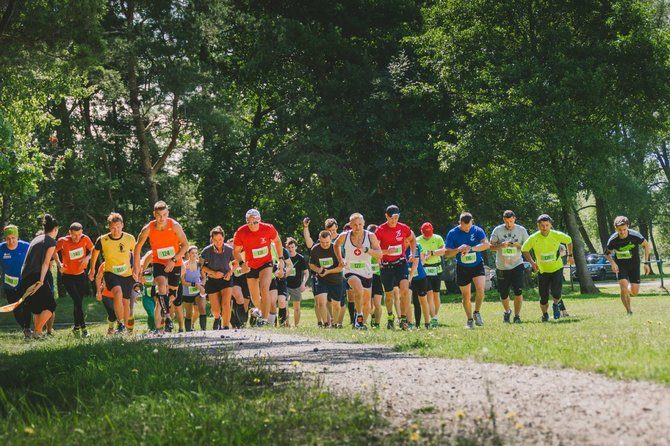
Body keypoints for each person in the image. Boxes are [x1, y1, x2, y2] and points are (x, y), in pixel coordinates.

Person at [133, 201, 189, 333]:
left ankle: (164, 320)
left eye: (164, 215)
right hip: (158, 262)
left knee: (171, 296)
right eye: (159, 215)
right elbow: (138, 246)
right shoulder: (148, 228)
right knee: (161, 284)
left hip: (175, 262)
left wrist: (174, 259)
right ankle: (167, 318)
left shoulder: (175, 225)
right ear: (154, 214)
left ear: (168, 213)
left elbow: (185, 245)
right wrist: (136, 266)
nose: (161, 218)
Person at [233, 209, 283, 326]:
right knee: (254, 297)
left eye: (255, 222)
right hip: (251, 265)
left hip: (266, 263)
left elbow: (278, 241)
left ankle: (265, 320)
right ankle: (268, 315)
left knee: (264, 288)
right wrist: (242, 264)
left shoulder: (268, 228)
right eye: (249, 222)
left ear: (259, 220)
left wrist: (280, 259)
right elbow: (236, 251)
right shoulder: (241, 232)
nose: (252, 225)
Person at [89, 212, 136, 333]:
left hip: (127, 274)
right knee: (117, 292)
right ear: (109, 227)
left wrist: (137, 268)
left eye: (118, 227)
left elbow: (136, 253)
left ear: (122, 225)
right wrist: (92, 269)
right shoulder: (102, 239)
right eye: (113, 228)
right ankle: (120, 323)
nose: (116, 230)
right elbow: (95, 252)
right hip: (110, 273)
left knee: (126, 302)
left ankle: (126, 329)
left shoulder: (130, 238)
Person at [334, 213, 383, 329]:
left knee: (367, 303)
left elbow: (379, 254)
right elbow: (336, 245)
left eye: (360, 224)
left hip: (366, 271)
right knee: (358, 288)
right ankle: (359, 318)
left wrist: (366, 249)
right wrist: (340, 259)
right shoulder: (344, 236)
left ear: (364, 223)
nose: (358, 227)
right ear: (350, 225)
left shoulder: (370, 236)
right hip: (350, 270)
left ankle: (361, 325)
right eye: (355, 225)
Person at [522, 214, 574, 321]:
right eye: (542, 225)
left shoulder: (557, 235)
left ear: (550, 225)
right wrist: (532, 263)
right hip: (542, 271)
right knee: (543, 298)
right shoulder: (534, 238)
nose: (544, 228)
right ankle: (545, 314)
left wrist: (570, 255)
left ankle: (556, 305)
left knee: (556, 292)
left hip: (557, 268)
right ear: (538, 226)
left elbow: (569, 240)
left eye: (547, 225)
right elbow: (524, 249)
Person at [444, 212, 490, 329]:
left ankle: (477, 312)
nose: (467, 229)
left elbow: (486, 245)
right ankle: (469, 319)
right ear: (460, 222)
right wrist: (458, 249)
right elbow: (447, 253)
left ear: (472, 222)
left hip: (477, 264)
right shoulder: (452, 233)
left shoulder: (477, 230)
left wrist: (471, 248)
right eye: (464, 226)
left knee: (480, 289)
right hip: (462, 267)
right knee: (466, 296)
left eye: (469, 226)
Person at [375, 205, 417, 330]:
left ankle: (403, 319)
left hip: (401, 262)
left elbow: (412, 239)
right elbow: (375, 250)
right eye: (391, 218)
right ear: (386, 216)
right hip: (386, 265)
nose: (394, 221)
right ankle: (390, 317)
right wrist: (386, 252)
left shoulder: (403, 228)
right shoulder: (380, 230)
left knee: (404, 289)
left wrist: (413, 254)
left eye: (396, 218)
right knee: (389, 295)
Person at [20, 214, 59, 339]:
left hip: (25, 275)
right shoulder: (51, 241)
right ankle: (37, 331)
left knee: (37, 308)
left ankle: (38, 334)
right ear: (55, 229)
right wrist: (41, 281)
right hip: (36, 276)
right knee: (51, 305)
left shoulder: (36, 239)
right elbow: (46, 263)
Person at [489, 210, 529, 323]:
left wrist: (517, 245)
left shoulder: (521, 230)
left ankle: (517, 316)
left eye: (511, 221)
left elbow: (527, 246)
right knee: (503, 293)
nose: (509, 224)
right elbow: (490, 247)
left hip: (517, 264)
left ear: (514, 219)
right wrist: (501, 245)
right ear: (503, 220)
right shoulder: (497, 230)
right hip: (502, 266)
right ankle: (507, 311)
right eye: (506, 222)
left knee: (518, 291)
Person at [605, 216, 650, 315]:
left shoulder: (635, 235)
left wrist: (646, 263)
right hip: (621, 265)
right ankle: (629, 311)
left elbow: (646, 245)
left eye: (624, 229)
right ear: (616, 229)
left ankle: (626, 290)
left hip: (634, 264)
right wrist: (612, 263)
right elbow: (607, 253)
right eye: (619, 230)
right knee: (623, 288)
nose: (622, 232)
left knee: (634, 292)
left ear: (628, 227)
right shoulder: (612, 240)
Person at [56, 222, 94, 337]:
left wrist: (87, 258)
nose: (77, 237)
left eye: (79, 234)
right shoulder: (63, 241)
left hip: (81, 276)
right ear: (69, 233)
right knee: (77, 300)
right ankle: (84, 329)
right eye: (74, 235)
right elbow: (53, 251)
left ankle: (76, 327)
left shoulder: (85, 239)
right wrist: (59, 264)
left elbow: (94, 250)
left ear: (82, 232)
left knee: (78, 303)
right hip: (68, 277)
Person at [0, 225, 32, 339]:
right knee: (15, 308)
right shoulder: (1, 248)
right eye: (8, 238)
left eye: (13, 238)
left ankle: (28, 328)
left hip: (25, 282)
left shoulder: (26, 246)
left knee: (27, 306)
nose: (11, 241)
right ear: (5, 239)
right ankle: (24, 328)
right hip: (9, 285)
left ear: (17, 237)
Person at [200, 226, 235, 330]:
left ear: (223, 238)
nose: (218, 242)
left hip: (226, 279)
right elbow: (200, 266)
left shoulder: (229, 250)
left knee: (226, 303)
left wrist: (230, 272)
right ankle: (217, 318)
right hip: (212, 280)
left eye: (220, 239)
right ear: (212, 239)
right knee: (215, 310)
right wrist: (213, 272)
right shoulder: (206, 251)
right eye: (215, 240)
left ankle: (226, 326)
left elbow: (235, 262)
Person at [309, 230, 344, 327]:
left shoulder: (336, 248)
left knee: (336, 305)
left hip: (335, 279)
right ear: (319, 240)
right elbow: (311, 265)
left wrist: (328, 271)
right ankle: (325, 324)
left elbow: (341, 267)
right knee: (321, 302)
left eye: (327, 242)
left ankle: (335, 324)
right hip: (321, 279)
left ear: (331, 239)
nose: (325, 245)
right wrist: (318, 270)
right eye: (322, 242)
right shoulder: (315, 249)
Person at [416, 222, 445, 328]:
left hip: (436, 268)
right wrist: (423, 257)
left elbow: (443, 251)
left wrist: (432, 253)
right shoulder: (417, 240)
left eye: (429, 233)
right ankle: (433, 317)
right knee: (429, 294)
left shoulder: (438, 238)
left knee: (436, 294)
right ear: (421, 231)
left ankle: (435, 316)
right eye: (425, 234)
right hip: (424, 269)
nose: (428, 236)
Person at [285, 238, 309, 328]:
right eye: (289, 247)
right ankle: (286, 323)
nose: (290, 249)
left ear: (296, 247)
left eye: (292, 247)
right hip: (285, 285)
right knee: (284, 305)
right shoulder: (284, 258)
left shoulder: (300, 258)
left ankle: (297, 325)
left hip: (296, 286)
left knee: (297, 308)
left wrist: (303, 283)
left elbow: (306, 272)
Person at [181, 246, 205, 331]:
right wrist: (195, 285)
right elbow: (183, 282)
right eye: (192, 253)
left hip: (198, 291)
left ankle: (204, 331)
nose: (194, 255)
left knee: (201, 309)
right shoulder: (184, 265)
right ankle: (188, 332)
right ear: (188, 254)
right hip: (187, 292)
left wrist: (202, 284)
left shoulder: (199, 264)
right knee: (188, 313)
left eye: (196, 253)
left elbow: (203, 277)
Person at [366, 224, 384, 328]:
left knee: (377, 303)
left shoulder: (380, 247)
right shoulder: (365, 246)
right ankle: (372, 317)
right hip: (367, 277)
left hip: (377, 277)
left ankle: (377, 324)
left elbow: (381, 259)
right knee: (369, 305)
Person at [409, 244, 430, 329]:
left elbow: (420, 262)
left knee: (423, 300)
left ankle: (427, 323)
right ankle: (415, 324)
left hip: (420, 278)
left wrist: (410, 276)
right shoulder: (400, 245)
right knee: (414, 302)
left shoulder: (416, 246)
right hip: (409, 278)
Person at [95, 261, 119, 335]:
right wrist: (98, 292)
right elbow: (98, 278)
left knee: (119, 314)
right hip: (106, 295)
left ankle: (119, 329)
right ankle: (111, 328)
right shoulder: (104, 265)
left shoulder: (121, 262)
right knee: (113, 315)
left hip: (119, 294)